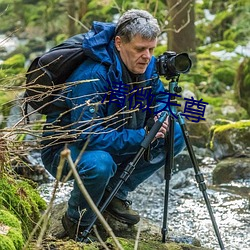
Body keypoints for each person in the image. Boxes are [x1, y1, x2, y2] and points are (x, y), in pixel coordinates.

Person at [41, 9, 185, 241]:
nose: (147, 56)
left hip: (117, 135)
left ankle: (115, 193)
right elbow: (87, 135)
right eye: (140, 49)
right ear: (119, 43)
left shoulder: (146, 65)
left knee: (175, 131)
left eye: (152, 49)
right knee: (100, 164)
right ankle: (76, 221)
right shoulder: (92, 75)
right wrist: (142, 135)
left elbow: (160, 97)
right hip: (67, 150)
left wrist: (162, 114)